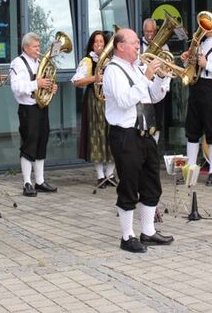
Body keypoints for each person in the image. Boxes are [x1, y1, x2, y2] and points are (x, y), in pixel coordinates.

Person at [103, 28, 173, 253]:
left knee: (151, 183)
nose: (138, 47)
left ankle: (148, 231)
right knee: (129, 185)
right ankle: (127, 236)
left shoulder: (136, 67)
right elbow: (125, 101)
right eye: (133, 43)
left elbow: (153, 96)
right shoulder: (113, 70)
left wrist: (160, 77)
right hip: (125, 134)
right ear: (120, 46)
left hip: (146, 134)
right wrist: (146, 77)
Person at [181, 13, 212, 187]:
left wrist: (206, 64)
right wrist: (187, 61)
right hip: (195, 87)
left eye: (207, 24)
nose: (203, 27)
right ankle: (190, 171)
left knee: (211, 131)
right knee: (192, 131)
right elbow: (191, 68)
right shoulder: (200, 43)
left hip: (210, 89)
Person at [10, 32, 58, 197]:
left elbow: (46, 82)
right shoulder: (17, 63)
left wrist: (50, 87)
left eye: (39, 46)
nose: (38, 49)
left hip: (41, 106)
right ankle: (27, 183)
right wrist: (36, 83)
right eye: (35, 46)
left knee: (41, 143)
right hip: (27, 108)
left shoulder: (39, 62)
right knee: (29, 144)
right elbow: (16, 87)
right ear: (26, 47)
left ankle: (39, 181)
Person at [71, 31, 115, 188]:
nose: (99, 44)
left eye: (102, 42)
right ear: (91, 44)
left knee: (111, 135)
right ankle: (100, 176)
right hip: (94, 101)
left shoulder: (111, 60)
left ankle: (111, 174)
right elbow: (76, 82)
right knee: (96, 135)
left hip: (110, 100)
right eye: (96, 42)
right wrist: (94, 78)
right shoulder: (87, 61)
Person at [140, 18, 170, 144]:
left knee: (156, 122)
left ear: (156, 31)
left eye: (152, 31)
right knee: (142, 121)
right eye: (147, 31)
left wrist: (165, 86)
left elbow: (168, 69)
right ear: (143, 30)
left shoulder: (164, 46)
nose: (149, 34)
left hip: (157, 87)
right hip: (142, 88)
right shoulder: (138, 45)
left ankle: (154, 147)